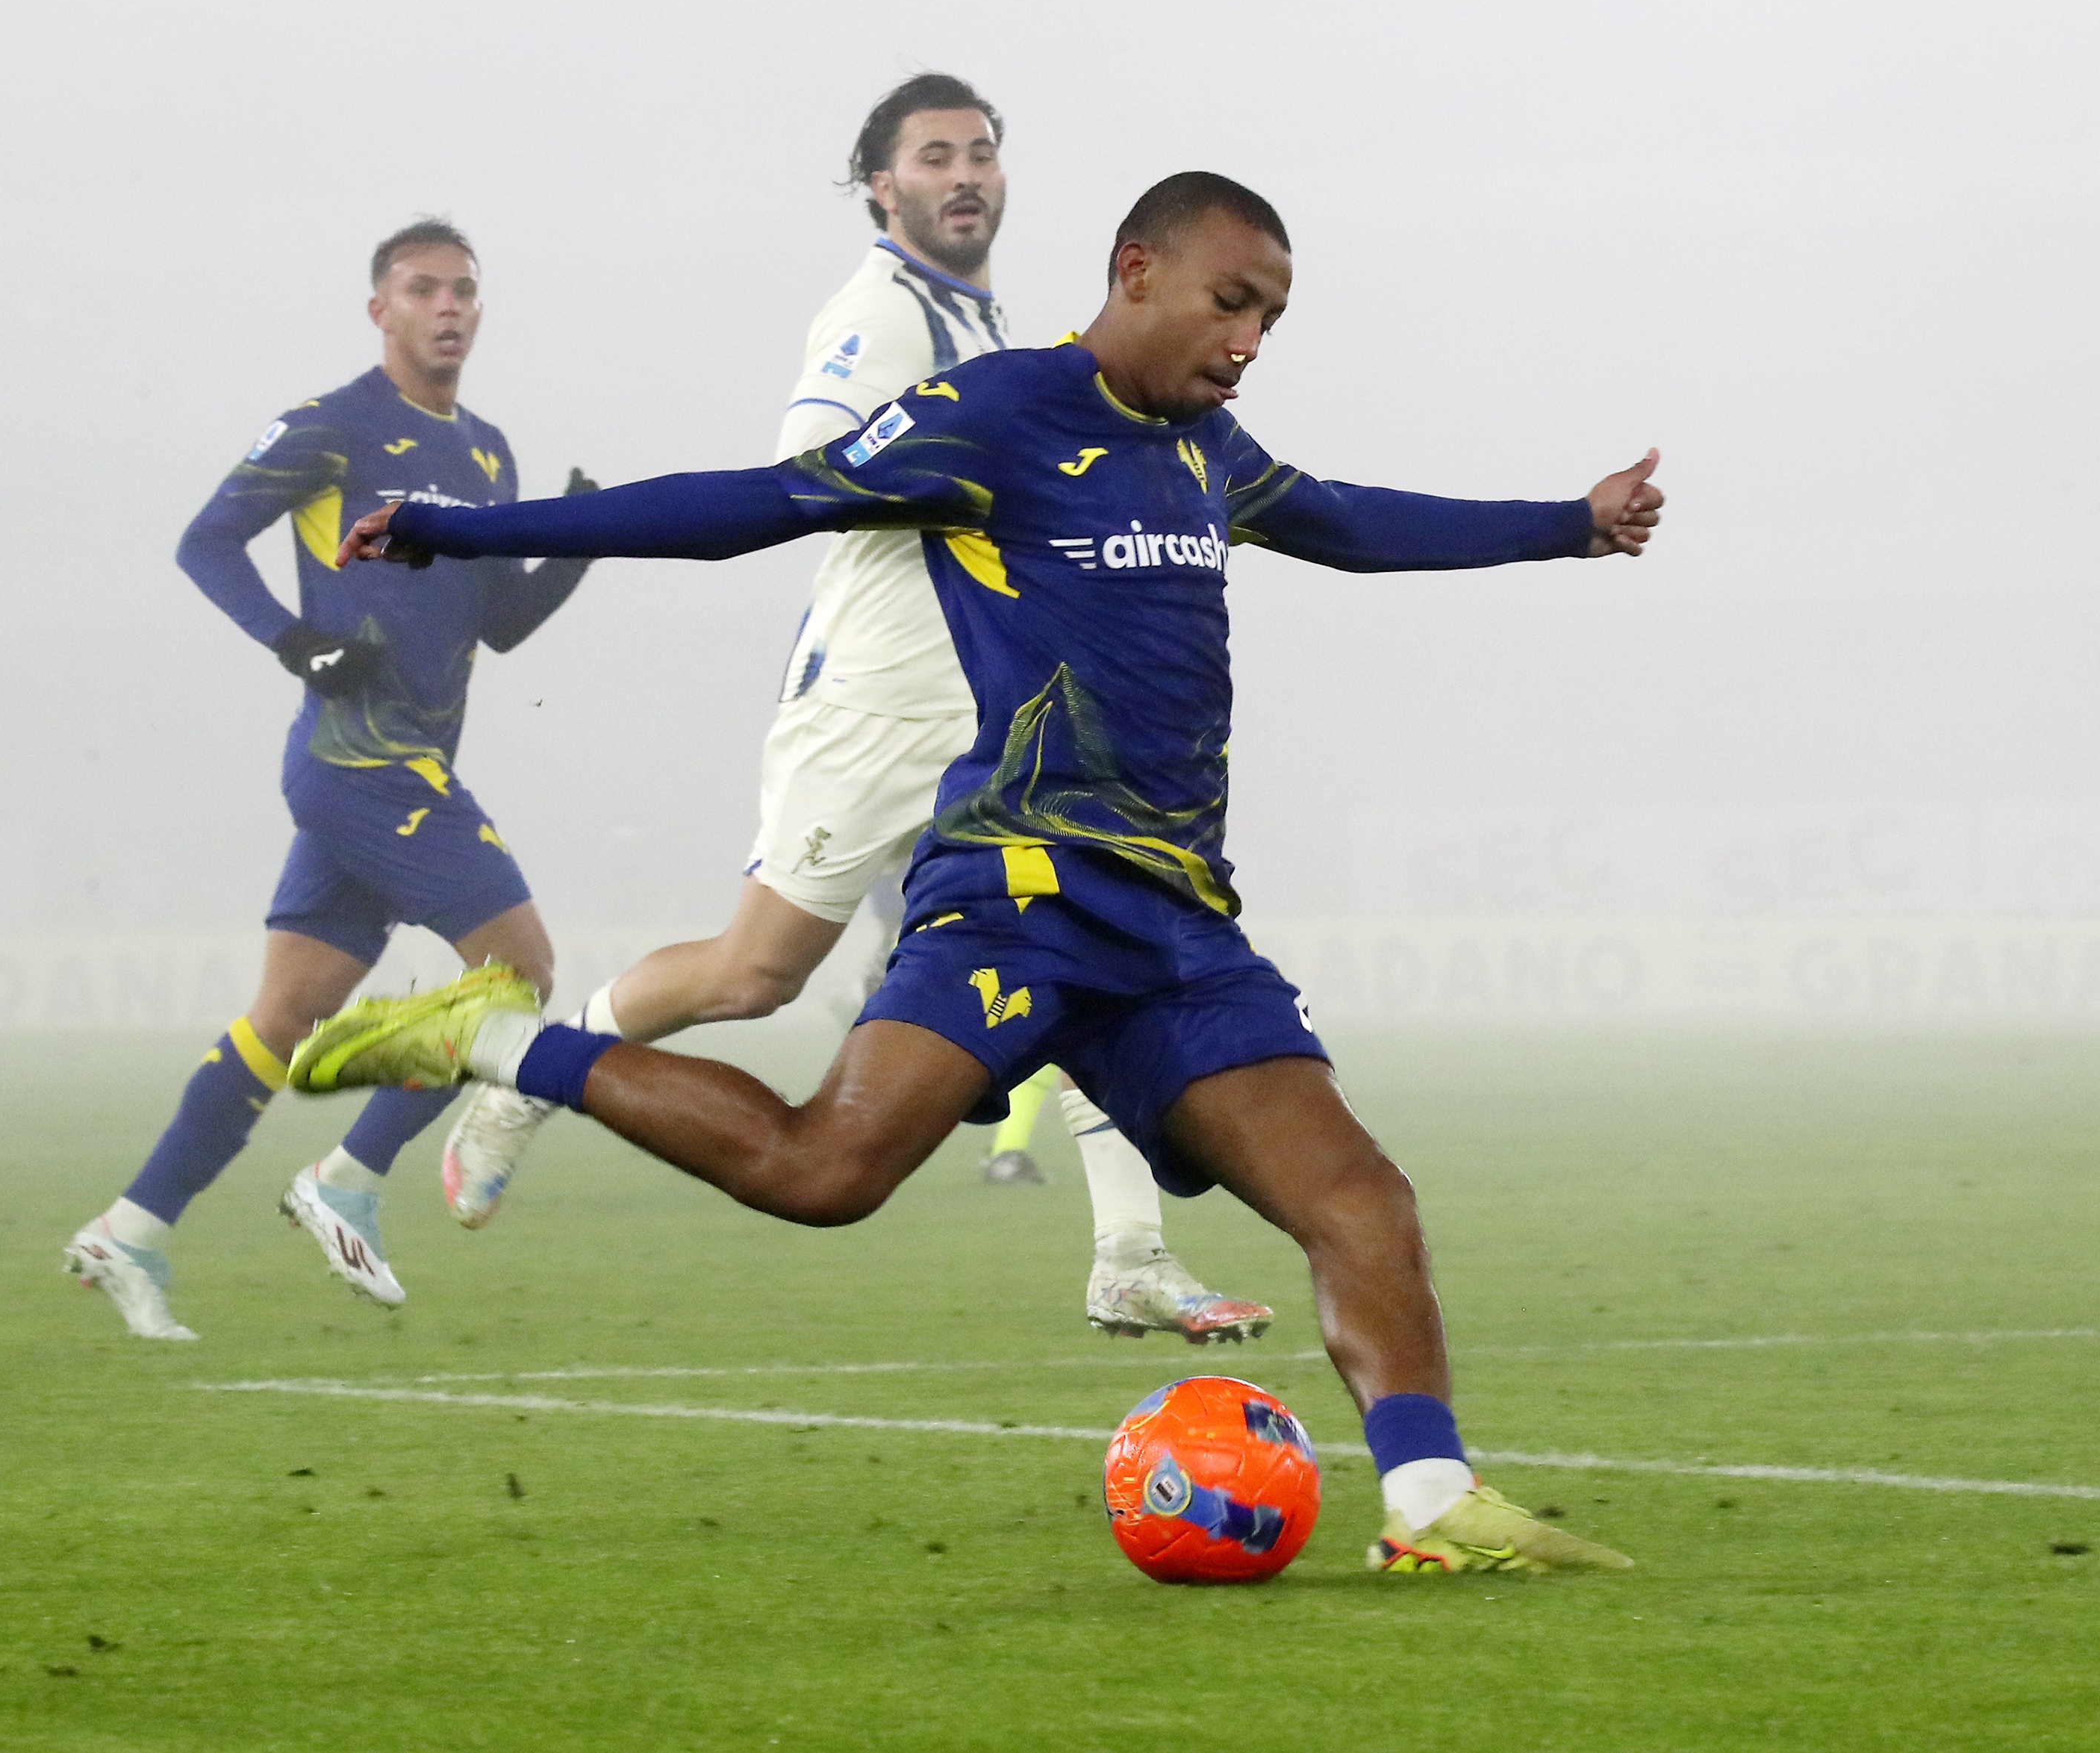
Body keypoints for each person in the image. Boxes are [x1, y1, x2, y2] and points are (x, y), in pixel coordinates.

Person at [305, 172, 1661, 1574]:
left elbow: (1352, 520)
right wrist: (456, 528)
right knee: (823, 1171)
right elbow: (751, 505)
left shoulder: (1206, 450)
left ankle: (1430, 1506)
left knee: (1361, 1200)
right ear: (1135, 271)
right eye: (1230, 303)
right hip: (1018, 893)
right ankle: (495, 1041)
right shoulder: (995, 413)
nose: (1248, 341)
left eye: (1270, 317)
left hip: (1176, 924)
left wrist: (1567, 521)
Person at [437, 74, 1271, 1343]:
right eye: (933, 155)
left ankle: (1130, 1254)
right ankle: (524, 1070)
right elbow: (808, 478)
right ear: (881, 187)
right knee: (753, 973)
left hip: (998, 706)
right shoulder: (875, 315)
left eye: (980, 151)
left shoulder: (991, 325)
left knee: (1086, 940)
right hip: (882, 700)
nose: (964, 174)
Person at [62, 221, 596, 1339]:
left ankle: (128, 1230)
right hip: (361, 764)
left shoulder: (488, 453)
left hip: (397, 772)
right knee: (519, 972)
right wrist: (292, 640)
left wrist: (577, 547)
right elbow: (206, 541)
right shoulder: (332, 426)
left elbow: (497, 622)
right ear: (379, 310)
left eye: (463, 290)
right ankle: (348, 1176)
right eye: (423, 289)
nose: (447, 307)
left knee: (287, 1012)